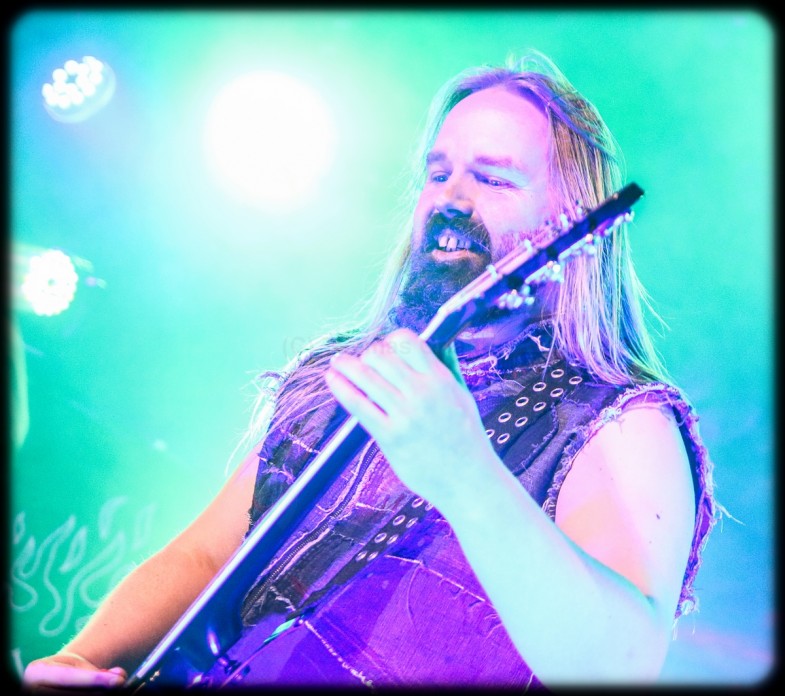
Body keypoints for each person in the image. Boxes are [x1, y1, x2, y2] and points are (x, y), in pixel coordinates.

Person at [22, 50, 718, 690]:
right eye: (437, 173)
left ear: (571, 227)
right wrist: (84, 657)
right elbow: (206, 561)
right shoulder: (345, 375)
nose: (449, 197)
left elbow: (619, 663)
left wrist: (466, 474)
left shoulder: (619, 420)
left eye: (492, 177)